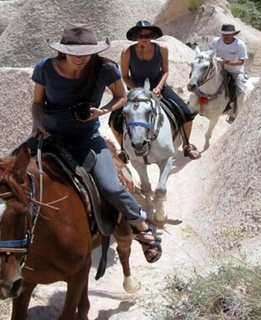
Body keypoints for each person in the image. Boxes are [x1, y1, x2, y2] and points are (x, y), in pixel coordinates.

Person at [28, 23, 162, 263]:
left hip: (86, 138)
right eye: (74, 53)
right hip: (48, 135)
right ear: (62, 51)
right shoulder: (45, 68)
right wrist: (37, 123)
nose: (79, 59)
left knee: (111, 187)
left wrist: (102, 112)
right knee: (4, 174)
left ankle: (142, 227)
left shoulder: (105, 69)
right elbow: (38, 103)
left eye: (85, 54)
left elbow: (122, 96)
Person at [111, 20, 200, 161]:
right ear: (135, 36)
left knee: (186, 114)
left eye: (147, 35)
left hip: (158, 86)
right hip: (136, 89)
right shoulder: (127, 51)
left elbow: (165, 71)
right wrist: (138, 90)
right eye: (140, 35)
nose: (144, 38)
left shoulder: (162, 49)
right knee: (114, 119)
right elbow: (125, 76)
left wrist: (158, 87)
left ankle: (186, 144)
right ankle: (123, 149)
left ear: (152, 35)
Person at [209, 24, 248, 124]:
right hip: (219, 68)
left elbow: (241, 61)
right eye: (223, 34)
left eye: (228, 34)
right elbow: (211, 54)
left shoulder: (240, 45)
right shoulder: (216, 42)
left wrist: (226, 62)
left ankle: (234, 115)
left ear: (233, 34)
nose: (225, 36)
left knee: (241, 91)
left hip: (235, 70)